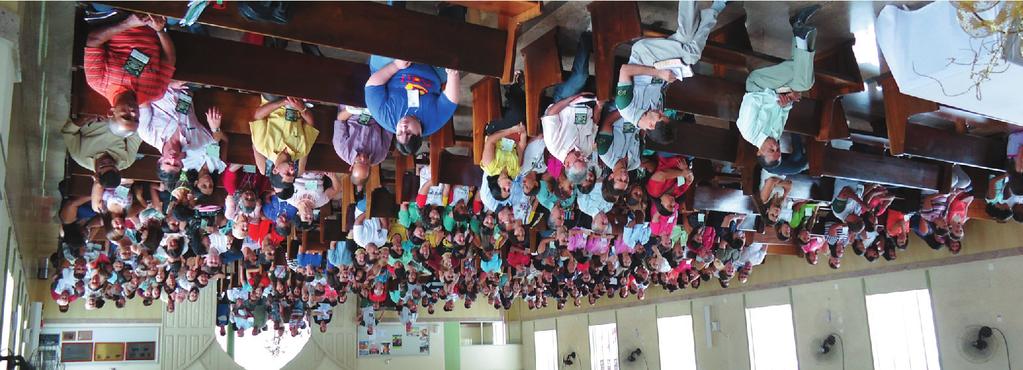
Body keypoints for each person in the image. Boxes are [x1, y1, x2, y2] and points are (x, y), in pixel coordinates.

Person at [615, 0, 726, 136]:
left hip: (644, 55)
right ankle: (715, 8)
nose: (661, 112)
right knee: (686, 37)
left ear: (650, 125)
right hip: (661, 62)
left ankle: (716, 8)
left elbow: (625, 70)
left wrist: (658, 73)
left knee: (692, 54)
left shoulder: (626, 108)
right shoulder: (655, 113)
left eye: (660, 116)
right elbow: (659, 86)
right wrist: (670, 79)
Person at [736, 4, 821, 167]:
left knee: (803, 78)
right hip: (774, 89)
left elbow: (752, 100)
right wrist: (787, 102)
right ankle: (799, 28)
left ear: (759, 152)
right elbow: (783, 112)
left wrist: (778, 97)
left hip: (757, 84)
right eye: (778, 150)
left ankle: (800, 32)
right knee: (803, 81)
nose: (775, 146)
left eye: (771, 150)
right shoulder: (776, 134)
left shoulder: (747, 131)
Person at [85, 13, 176, 133]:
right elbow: (169, 59)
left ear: (111, 112)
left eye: (126, 117)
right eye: (136, 119)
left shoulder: (97, 82)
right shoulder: (155, 92)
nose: (133, 113)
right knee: (179, 13)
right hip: (153, 27)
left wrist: (127, 24)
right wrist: (160, 31)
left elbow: (93, 40)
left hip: (117, 20)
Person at [138, 83, 228, 190]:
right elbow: (214, 143)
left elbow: (143, 97)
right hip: (187, 89)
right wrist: (215, 128)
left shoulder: (147, 134)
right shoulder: (194, 145)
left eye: (167, 163)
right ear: (182, 164)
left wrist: (168, 84)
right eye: (176, 164)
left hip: (160, 85)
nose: (173, 159)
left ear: (160, 160)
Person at [364, 57, 460, 155]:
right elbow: (451, 100)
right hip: (432, 72)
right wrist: (453, 74)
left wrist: (395, 66)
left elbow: (372, 86)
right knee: (451, 56)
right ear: (420, 133)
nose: (403, 127)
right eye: (408, 132)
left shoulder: (384, 117)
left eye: (399, 132)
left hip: (390, 68)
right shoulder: (433, 121)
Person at [250, 96, 320, 199]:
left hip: (274, 101)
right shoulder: (302, 151)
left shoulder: (262, 147)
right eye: (292, 174)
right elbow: (310, 124)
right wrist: (302, 109)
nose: (292, 170)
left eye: (287, 173)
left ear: (275, 170)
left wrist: (283, 102)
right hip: (298, 105)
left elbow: (257, 116)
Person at [62, 116, 142, 189]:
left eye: (103, 165)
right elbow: (136, 135)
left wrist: (83, 120)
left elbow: (68, 132)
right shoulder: (127, 161)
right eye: (112, 164)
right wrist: (122, 122)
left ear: (96, 175)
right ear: (118, 170)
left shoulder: (80, 157)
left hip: (91, 116)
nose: (107, 160)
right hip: (119, 117)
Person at [332, 105, 394, 187]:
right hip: (377, 112)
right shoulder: (380, 155)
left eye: (359, 161)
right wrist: (376, 111)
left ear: (351, 167)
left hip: (352, 110)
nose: (363, 158)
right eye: (366, 163)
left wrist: (353, 110)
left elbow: (340, 119)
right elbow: (388, 127)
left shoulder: (342, 149)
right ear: (370, 168)